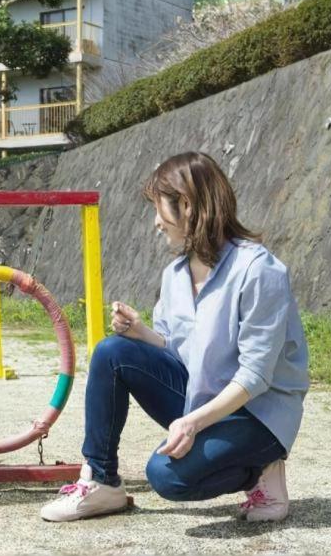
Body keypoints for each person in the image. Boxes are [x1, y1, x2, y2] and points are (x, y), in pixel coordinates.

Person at [40, 152, 310, 523]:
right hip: (205, 397)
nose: (155, 222)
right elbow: (178, 349)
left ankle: (260, 466)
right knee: (112, 352)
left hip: (258, 415)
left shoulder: (258, 270)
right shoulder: (175, 275)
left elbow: (256, 377)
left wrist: (192, 422)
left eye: (158, 208)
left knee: (166, 477)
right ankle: (101, 481)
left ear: (185, 205)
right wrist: (141, 333)